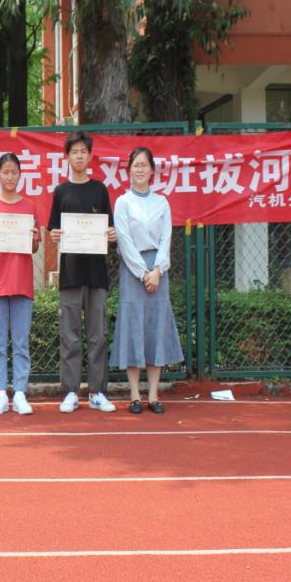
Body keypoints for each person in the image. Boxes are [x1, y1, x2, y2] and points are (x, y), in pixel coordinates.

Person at [109, 147, 184, 414]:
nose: (139, 169)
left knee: (155, 327)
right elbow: (124, 240)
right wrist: (143, 272)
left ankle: (153, 395)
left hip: (158, 272)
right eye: (135, 165)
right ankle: (134, 395)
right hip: (133, 271)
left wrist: (157, 271)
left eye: (144, 165)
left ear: (152, 170)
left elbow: (166, 239)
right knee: (133, 327)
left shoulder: (162, 202)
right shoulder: (123, 202)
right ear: (129, 170)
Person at [48, 130, 117, 414]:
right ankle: (71, 391)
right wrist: (54, 235)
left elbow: (110, 228)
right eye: (74, 152)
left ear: (90, 156)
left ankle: (98, 391)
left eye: (83, 152)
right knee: (70, 335)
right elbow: (53, 228)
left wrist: (111, 234)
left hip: (97, 273)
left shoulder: (100, 190)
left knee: (98, 335)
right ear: (67, 157)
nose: (79, 156)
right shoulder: (61, 191)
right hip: (70, 273)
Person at [0, 153, 41, 415]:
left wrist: (34, 239)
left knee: (22, 343)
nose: (10, 177)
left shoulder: (30, 207)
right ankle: (1, 392)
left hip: (22, 282)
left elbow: (34, 247)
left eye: (14, 172)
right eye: (6, 172)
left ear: (20, 174)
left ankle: (21, 392)